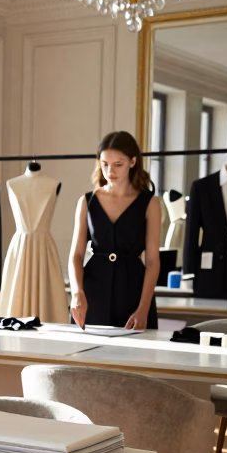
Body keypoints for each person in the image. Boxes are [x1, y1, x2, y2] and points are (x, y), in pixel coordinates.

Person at [69, 130, 160, 330]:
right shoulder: (87, 201)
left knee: (135, 357)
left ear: (133, 162)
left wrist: (143, 307)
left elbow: (153, 261)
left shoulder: (150, 204)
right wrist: (77, 292)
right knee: (86, 357)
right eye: (105, 164)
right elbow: (76, 255)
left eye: (118, 164)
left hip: (133, 290)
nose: (110, 171)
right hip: (93, 290)